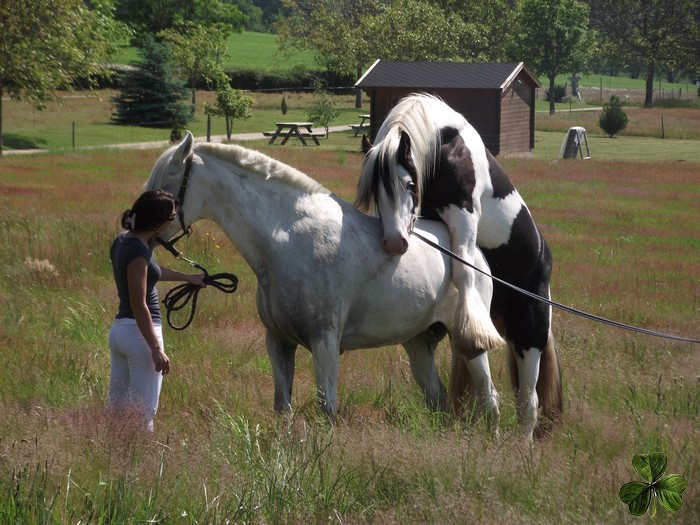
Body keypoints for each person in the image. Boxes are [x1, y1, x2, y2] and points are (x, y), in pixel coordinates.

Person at [108, 189, 206, 431]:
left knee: (117, 409)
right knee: (144, 414)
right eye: (171, 218)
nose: (172, 222)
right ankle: (139, 464)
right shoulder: (139, 251)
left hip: (121, 332)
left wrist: (187, 277)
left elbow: (151, 272)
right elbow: (139, 303)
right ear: (158, 222)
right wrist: (155, 348)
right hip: (140, 335)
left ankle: (111, 457)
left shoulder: (124, 240)